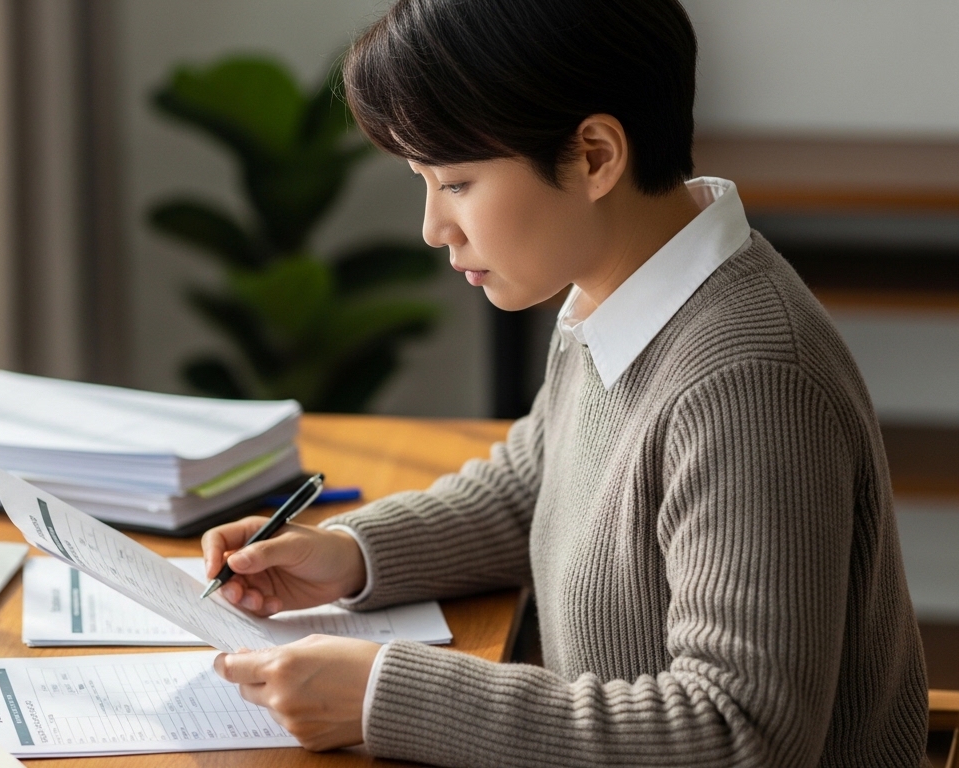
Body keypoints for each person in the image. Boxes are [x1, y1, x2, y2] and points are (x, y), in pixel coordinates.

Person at [201, 0, 930, 765]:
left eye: (455, 182)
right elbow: (536, 488)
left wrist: (388, 694)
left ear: (593, 156)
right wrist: (350, 553)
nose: (433, 228)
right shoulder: (618, 291)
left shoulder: (748, 383)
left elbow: (736, 732)